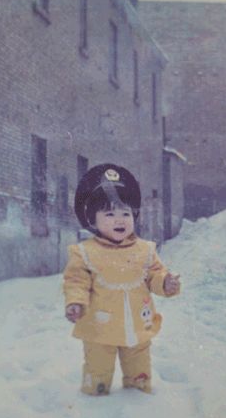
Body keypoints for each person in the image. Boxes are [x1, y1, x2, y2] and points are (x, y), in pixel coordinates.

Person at [63, 163, 181, 395]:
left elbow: (154, 274)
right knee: (97, 371)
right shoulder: (85, 252)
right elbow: (76, 281)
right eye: (109, 214)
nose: (120, 220)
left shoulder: (145, 250)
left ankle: (139, 400)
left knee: (140, 372)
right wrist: (75, 302)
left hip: (138, 326)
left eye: (125, 214)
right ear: (92, 220)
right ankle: (95, 400)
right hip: (99, 329)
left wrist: (165, 282)